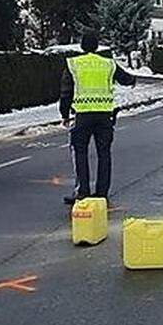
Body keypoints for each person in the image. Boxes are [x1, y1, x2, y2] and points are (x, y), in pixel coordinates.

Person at [60, 33, 136, 204]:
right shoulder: (108, 64)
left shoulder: (74, 64)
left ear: (82, 46)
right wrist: (133, 80)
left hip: (82, 116)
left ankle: (83, 191)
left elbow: (66, 92)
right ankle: (102, 192)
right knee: (104, 154)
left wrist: (64, 114)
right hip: (104, 116)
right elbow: (125, 78)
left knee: (80, 152)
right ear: (97, 46)